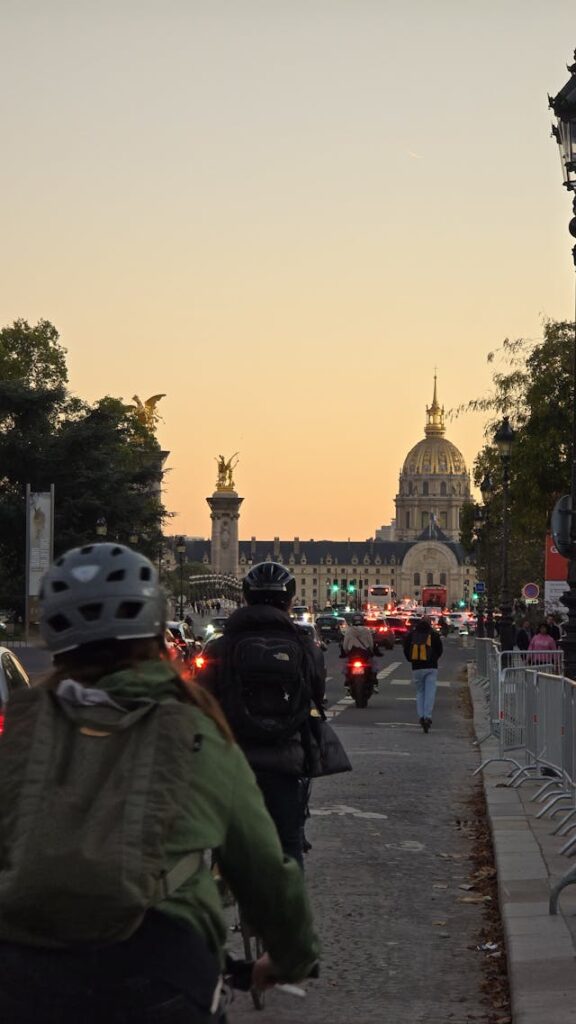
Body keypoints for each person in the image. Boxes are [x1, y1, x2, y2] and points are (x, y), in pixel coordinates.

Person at [0, 543, 319, 1024]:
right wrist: (291, 956)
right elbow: (261, 866)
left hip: (25, 974)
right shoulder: (188, 726)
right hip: (157, 969)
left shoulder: (23, 726)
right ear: (155, 626)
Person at [197, 561, 326, 868]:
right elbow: (316, 693)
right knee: (288, 844)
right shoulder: (305, 646)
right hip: (286, 763)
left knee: (227, 842)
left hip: (232, 762)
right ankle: (287, 897)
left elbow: (201, 702)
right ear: (290, 601)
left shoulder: (219, 647)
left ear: (245, 598)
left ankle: (224, 882)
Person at [403, 614, 443, 734]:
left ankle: (421, 716)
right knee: (430, 692)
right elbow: (439, 650)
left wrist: (412, 660)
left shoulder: (412, 634)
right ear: (430, 623)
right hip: (431, 667)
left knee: (420, 692)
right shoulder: (434, 634)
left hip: (416, 667)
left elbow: (406, 649)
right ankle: (427, 717)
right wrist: (434, 659)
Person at [342, 614, 379, 691]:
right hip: (364, 654)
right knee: (373, 664)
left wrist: (346, 652)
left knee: (346, 665)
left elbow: (345, 645)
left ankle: (347, 683)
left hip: (352, 654)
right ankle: (375, 683)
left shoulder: (349, 631)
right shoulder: (366, 630)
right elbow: (371, 644)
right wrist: (371, 651)